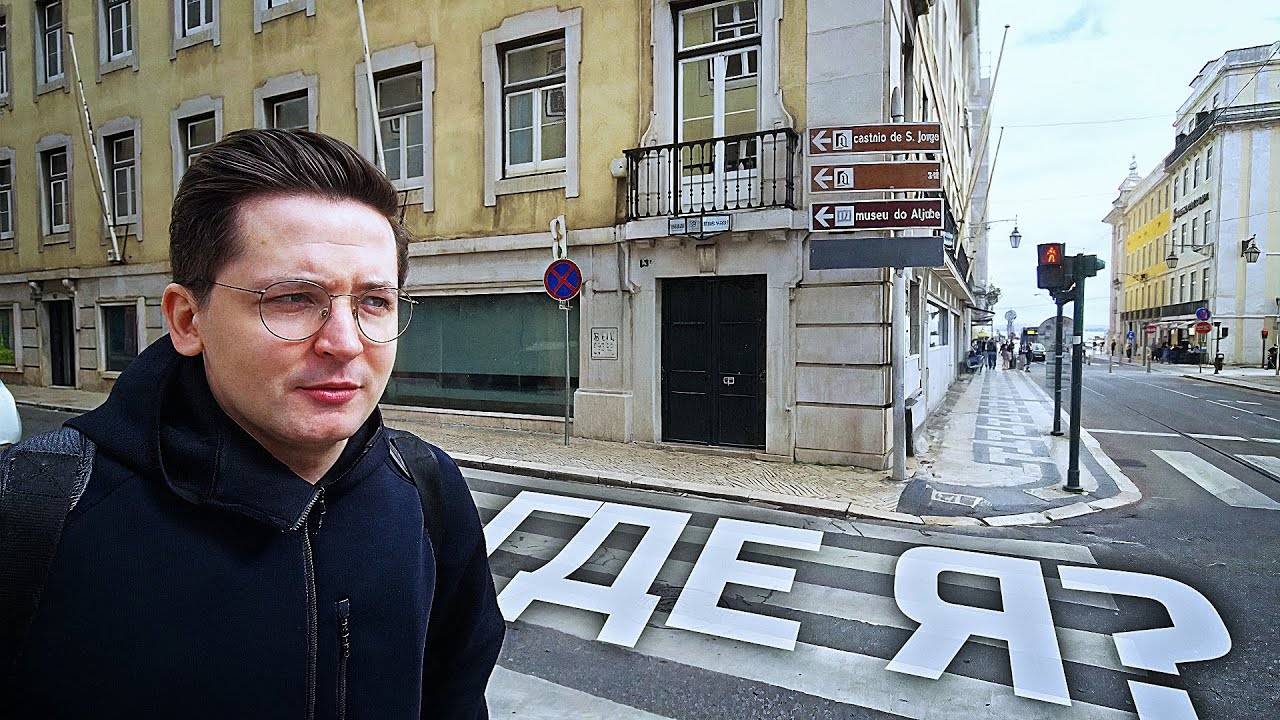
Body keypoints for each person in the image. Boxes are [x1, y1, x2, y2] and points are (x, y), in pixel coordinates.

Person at [2, 130, 505, 718]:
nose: (346, 342)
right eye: (293, 298)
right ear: (187, 320)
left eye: (374, 301)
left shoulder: (427, 491)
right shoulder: (34, 510)